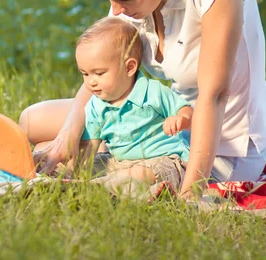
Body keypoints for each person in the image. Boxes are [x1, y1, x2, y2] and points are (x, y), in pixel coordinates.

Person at [19, 0, 266, 199]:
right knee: (31, 121)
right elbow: (105, 67)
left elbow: (214, 97)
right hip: (165, 125)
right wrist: (66, 137)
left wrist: (191, 194)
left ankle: (109, 159)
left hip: (223, 145)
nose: (116, 10)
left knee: (119, 173)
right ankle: (101, 149)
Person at [73, 17, 192, 190]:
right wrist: (79, 169)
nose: (90, 82)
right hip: (121, 163)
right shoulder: (96, 105)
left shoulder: (152, 92)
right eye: (85, 74)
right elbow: (89, 146)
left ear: (129, 68)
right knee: (94, 165)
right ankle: (87, 184)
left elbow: (187, 112)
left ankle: (105, 187)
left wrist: (179, 119)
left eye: (98, 73)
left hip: (163, 159)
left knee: (141, 174)